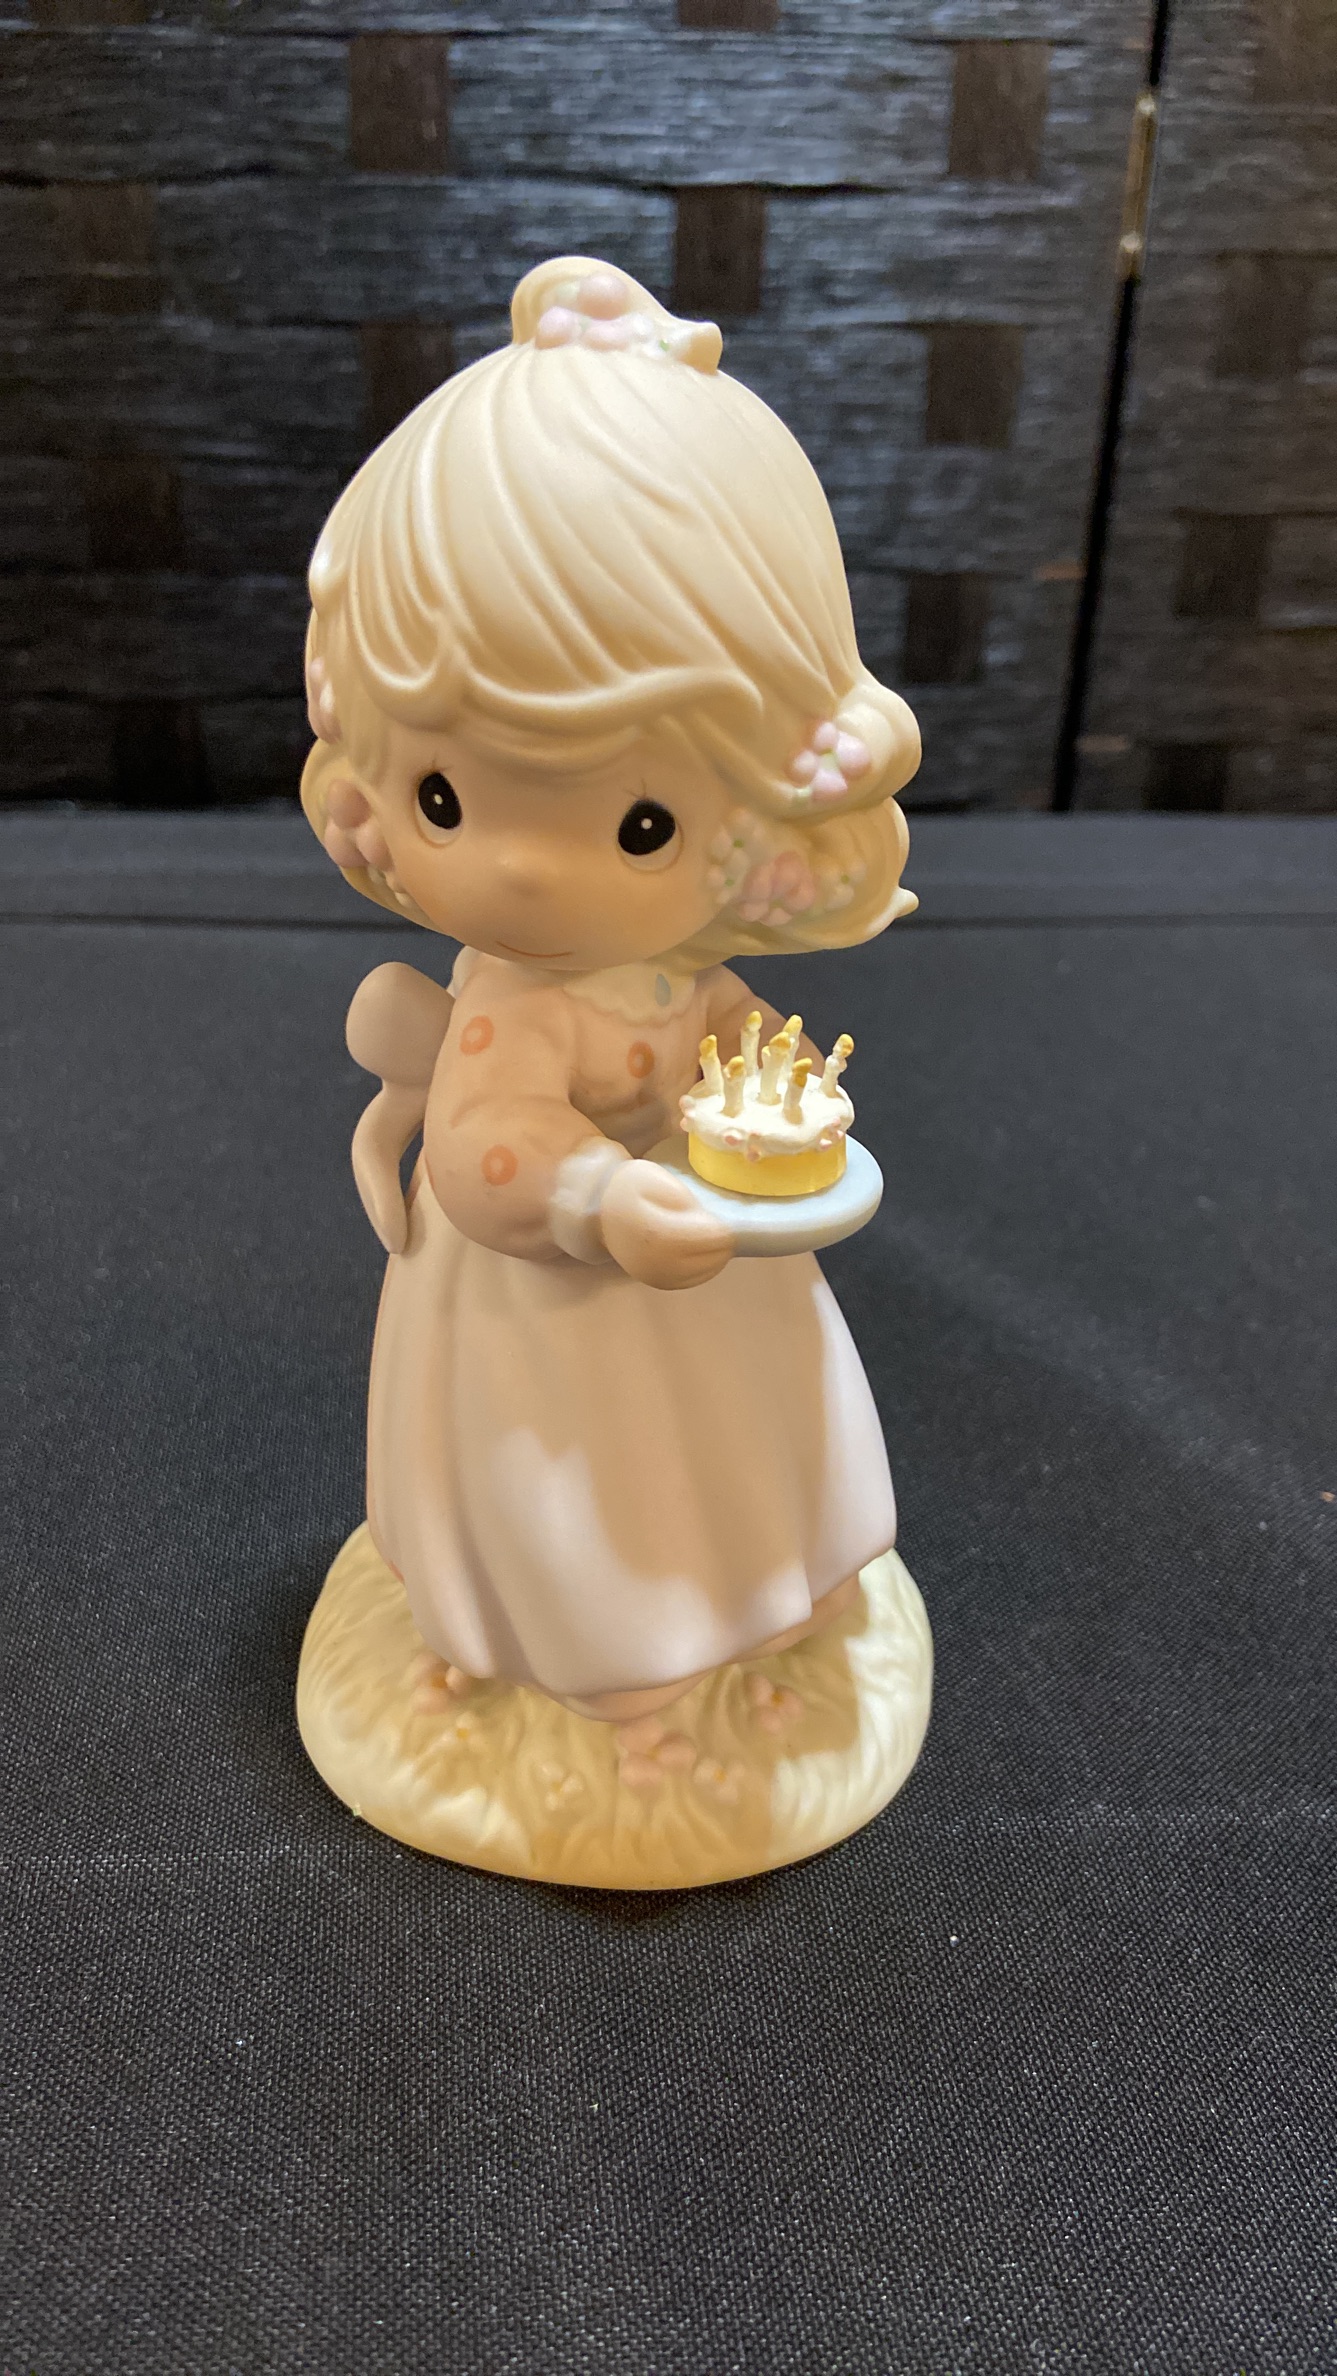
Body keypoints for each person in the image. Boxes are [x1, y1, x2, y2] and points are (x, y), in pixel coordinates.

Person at [300, 256, 921, 1723]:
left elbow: (722, 1025)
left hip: (711, 1257)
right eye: (444, 798)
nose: (520, 874)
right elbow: (483, 1139)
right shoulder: (513, 1004)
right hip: (552, 1305)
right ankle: (609, 1666)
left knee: (749, 1440)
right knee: (590, 1483)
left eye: (641, 823)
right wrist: (593, 1199)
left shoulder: (674, 969)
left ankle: (778, 1588)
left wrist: (768, 1067)